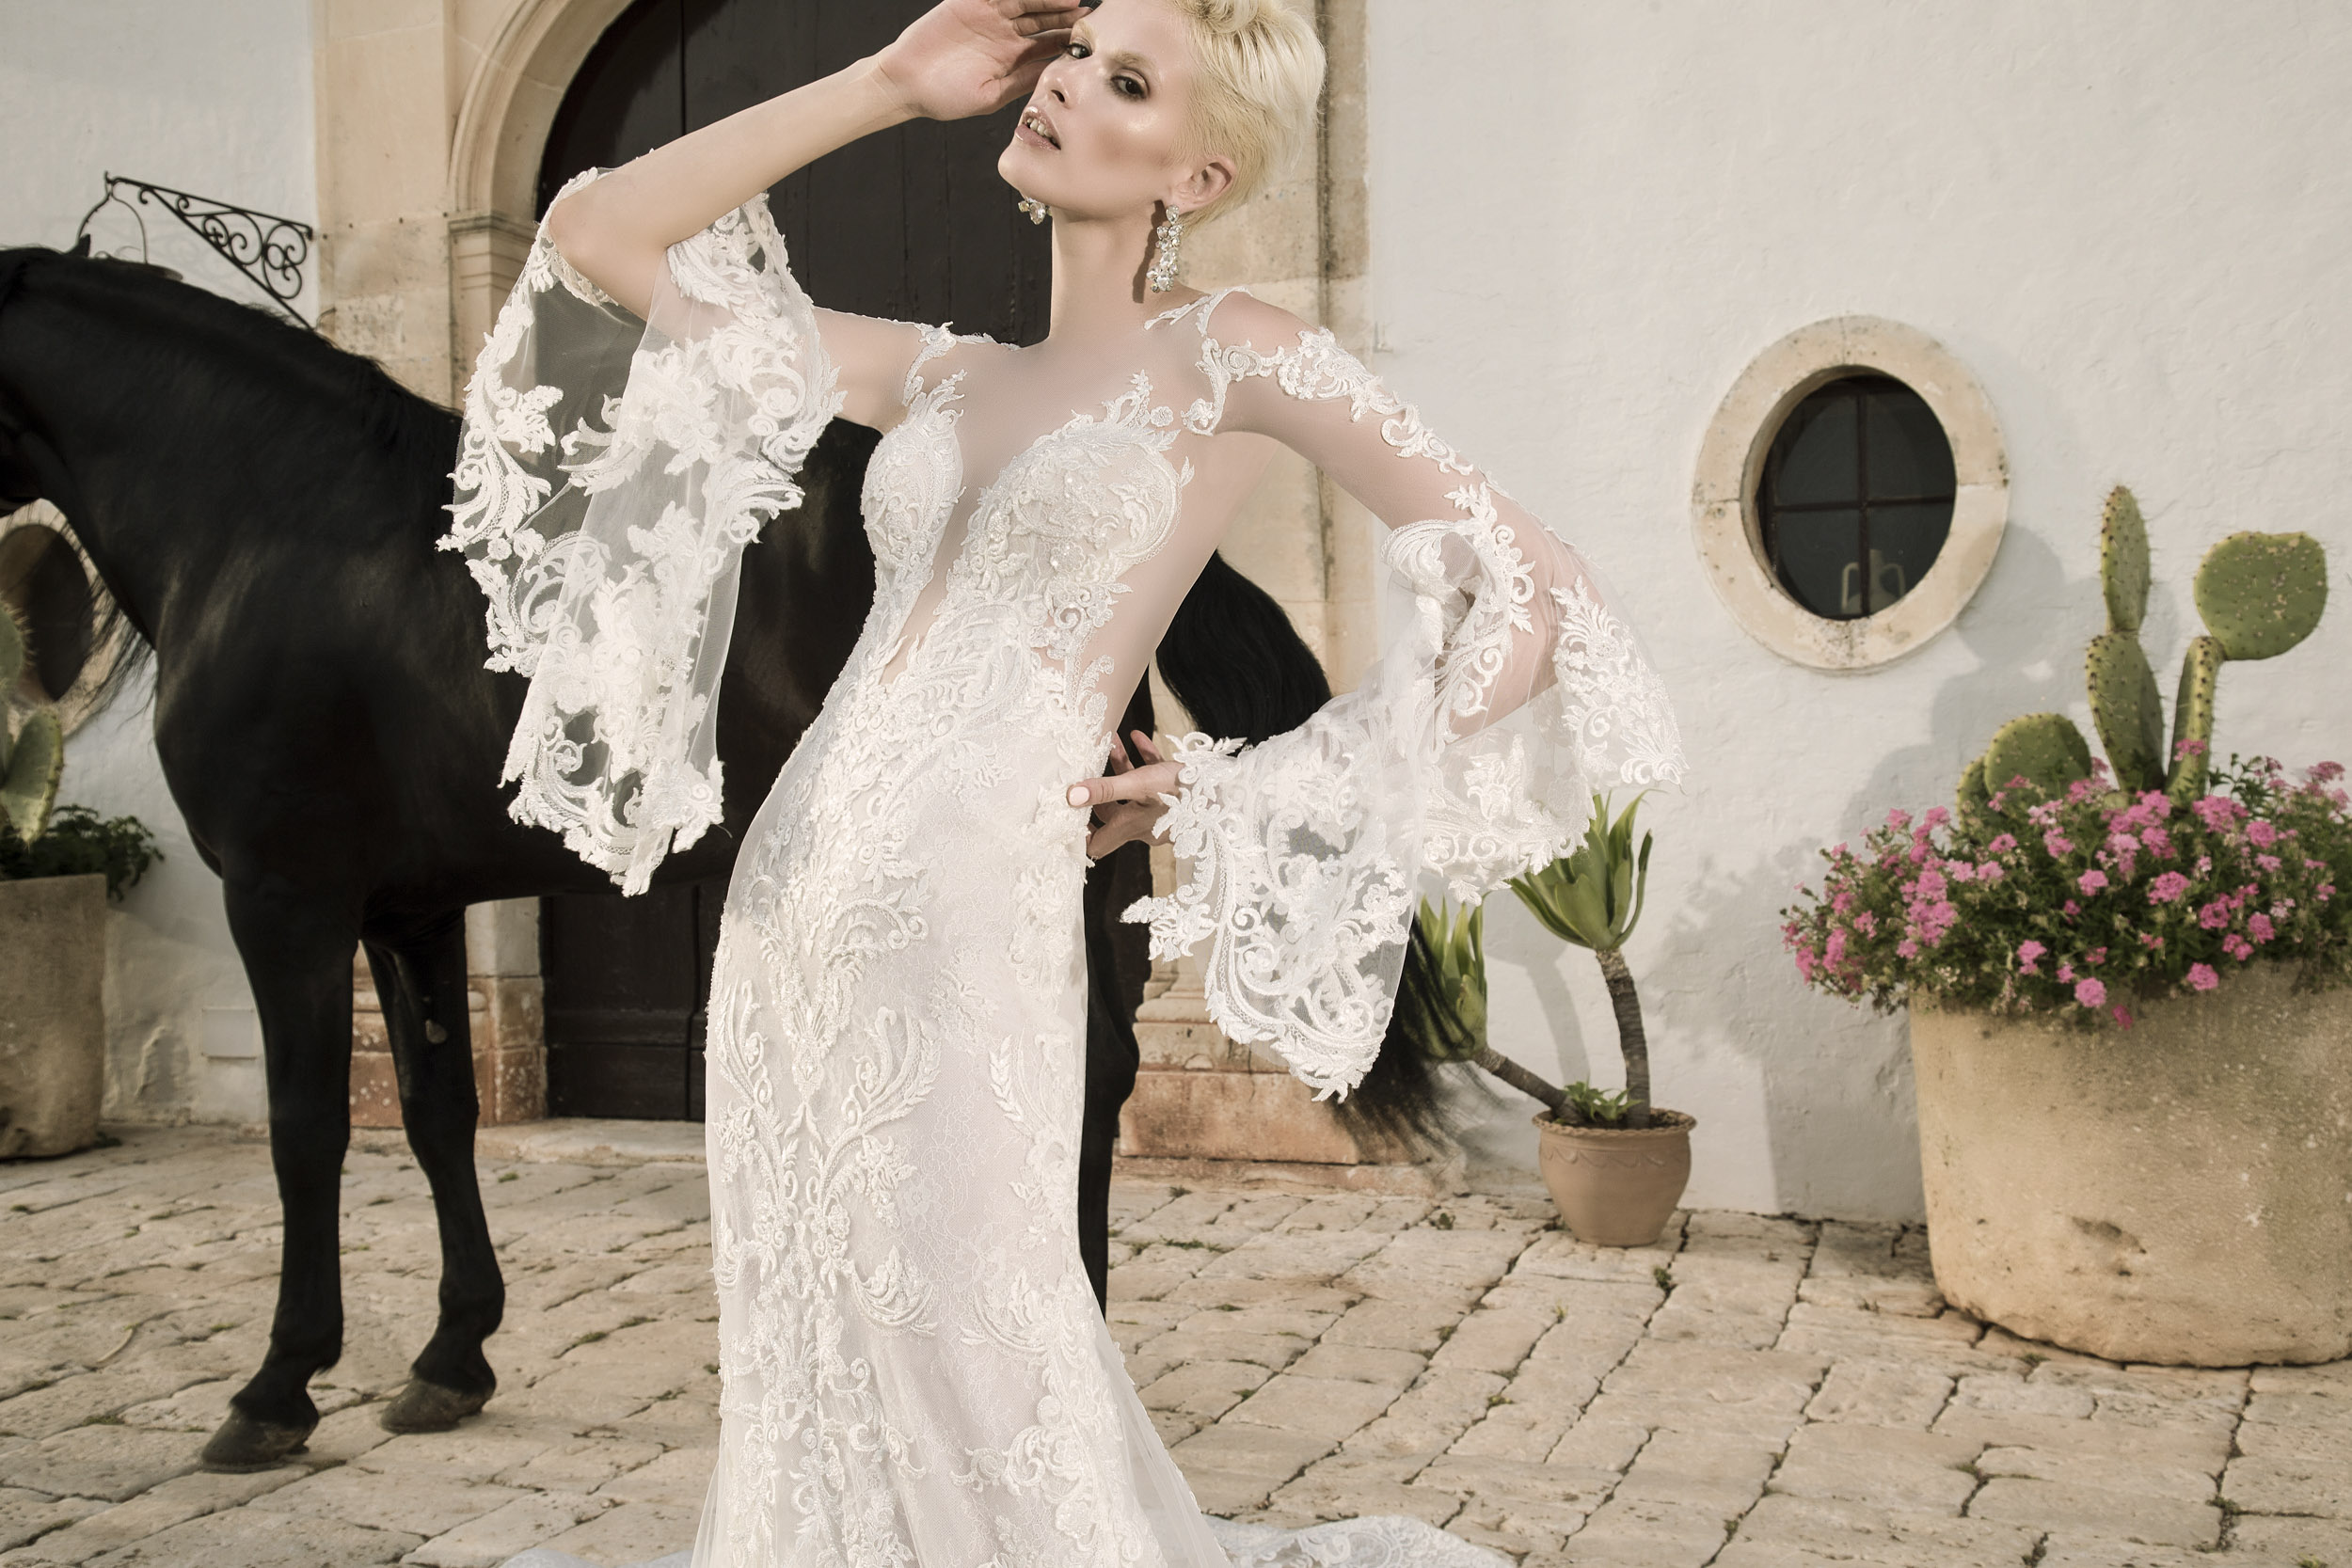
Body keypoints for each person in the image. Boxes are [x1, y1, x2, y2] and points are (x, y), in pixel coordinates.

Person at [444, 1, 1686, 1562]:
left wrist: (1242, 791)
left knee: (981, 1338)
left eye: (1128, 80)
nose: (1070, 85)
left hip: (971, 918)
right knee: (810, 1343)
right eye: (1079, 50)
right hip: (790, 915)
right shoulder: (941, 377)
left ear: (1201, 175)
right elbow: (596, 235)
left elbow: (1536, 584)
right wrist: (889, 81)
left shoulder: (1233, 354)